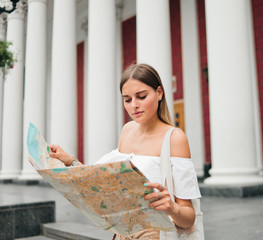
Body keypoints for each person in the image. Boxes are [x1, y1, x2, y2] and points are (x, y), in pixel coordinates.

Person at [49, 63, 201, 239]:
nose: (134, 105)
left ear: (159, 93)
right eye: (127, 100)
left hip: (155, 234)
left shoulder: (174, 138)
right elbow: (104, 183)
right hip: (122, 233)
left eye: (141, 96)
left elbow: (189, 219)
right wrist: (70, 162)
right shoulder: (127, 130)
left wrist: (172, 208)